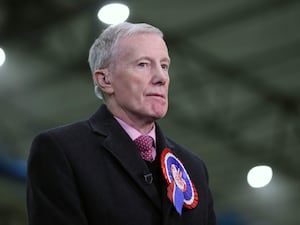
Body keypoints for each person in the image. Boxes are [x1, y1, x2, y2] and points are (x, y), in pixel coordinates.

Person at [26, 22, 216, 225]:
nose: (161, 77)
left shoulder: (193, 167)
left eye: (164, 66)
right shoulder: (61, 151)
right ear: (105, 80)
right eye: (143, 64)